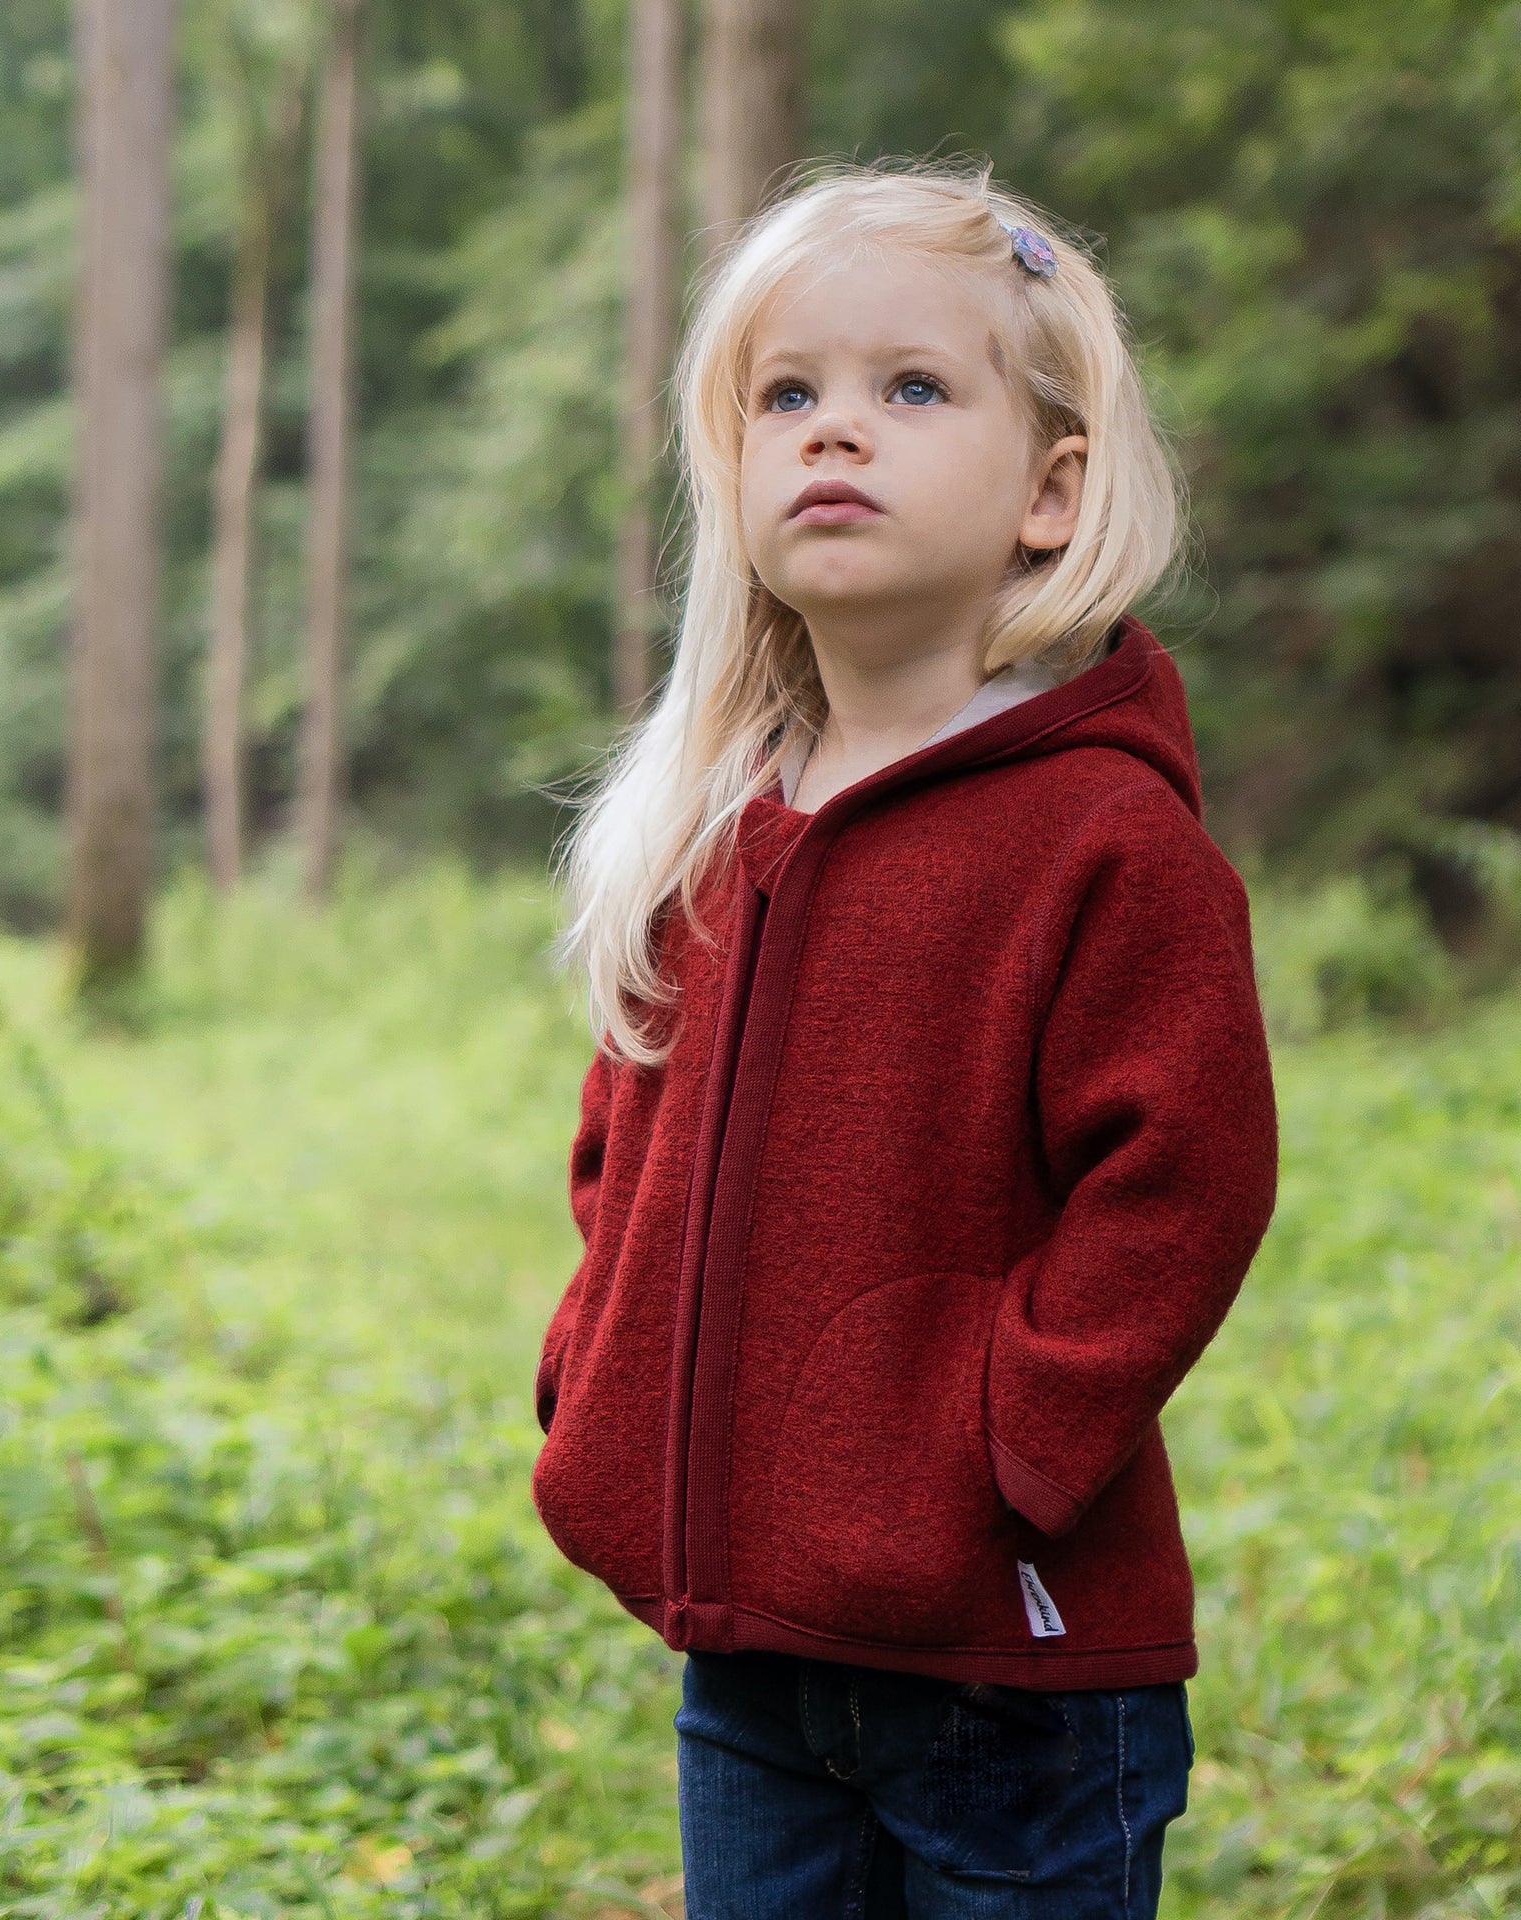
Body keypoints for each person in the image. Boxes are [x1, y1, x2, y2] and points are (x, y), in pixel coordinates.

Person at [531, 163, 1279, 1918]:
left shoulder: (1103, 836)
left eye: (909, 388)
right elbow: (615, 1147)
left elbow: (1185, 1184)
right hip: (755, 1674)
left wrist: (1003, 1452)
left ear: (1051, 490)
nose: (831, 433)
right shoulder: (715, 830)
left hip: (1012, 1686)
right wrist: (599, 1375)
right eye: (785, 395)